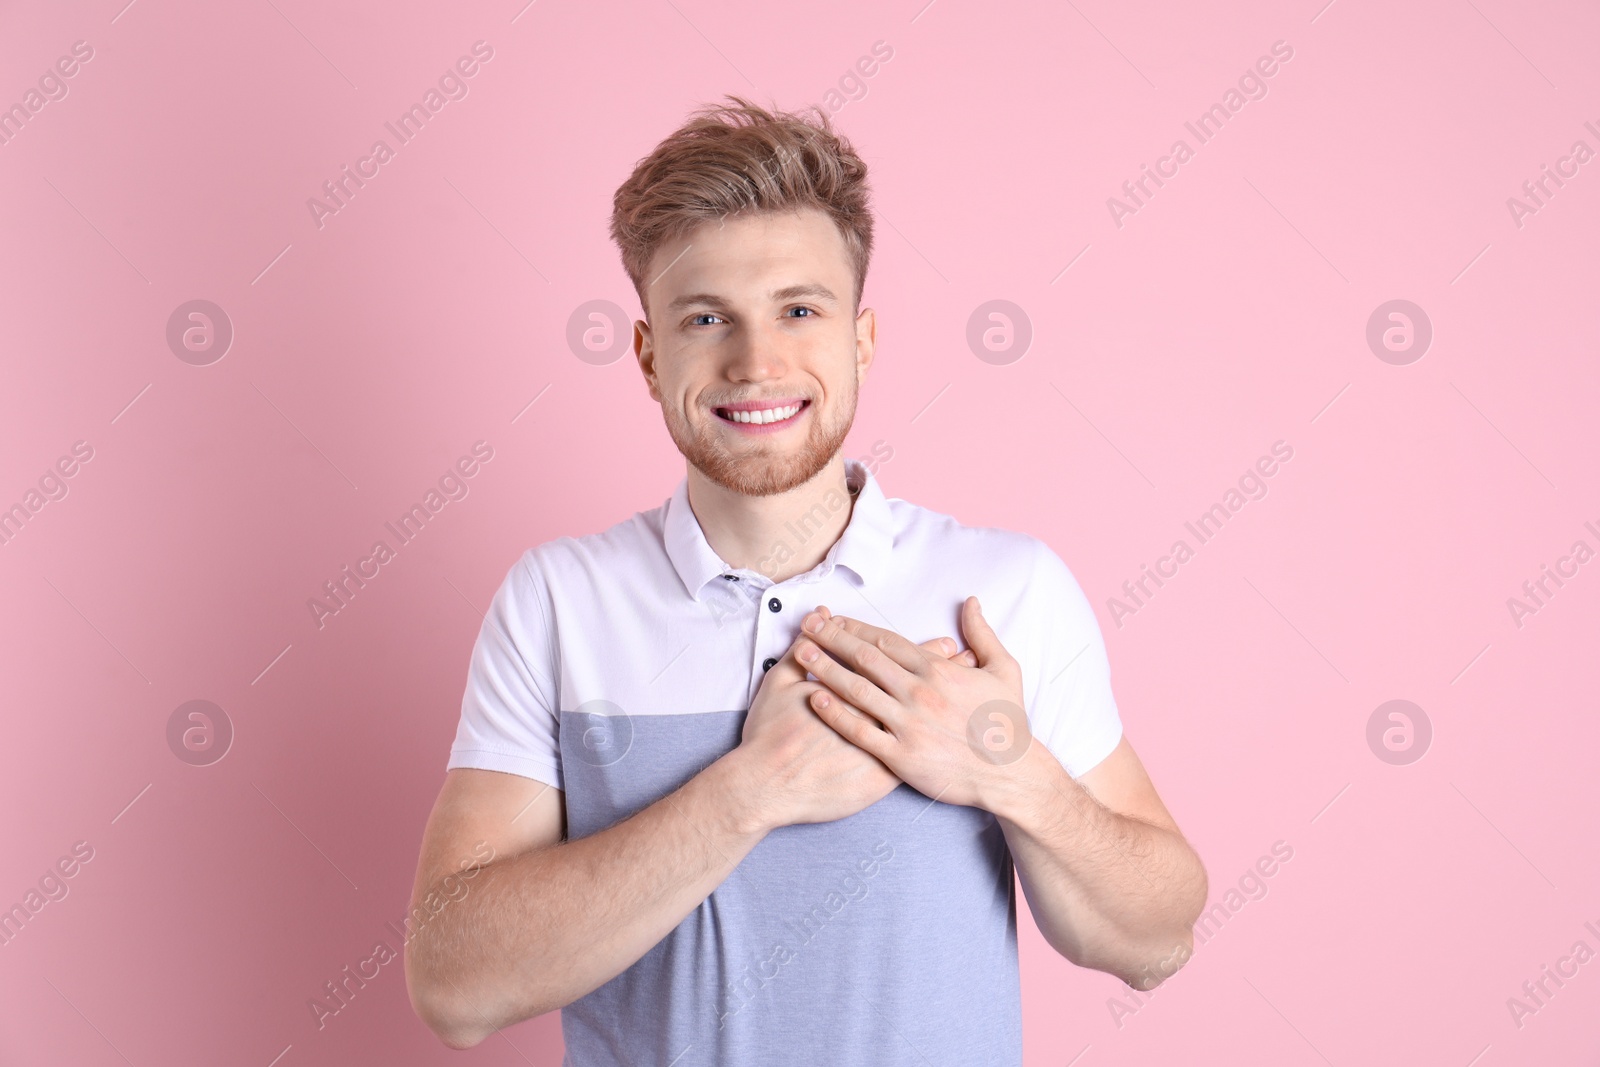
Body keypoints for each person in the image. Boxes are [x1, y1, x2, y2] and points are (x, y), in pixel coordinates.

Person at [404, 94, 1207, 1065]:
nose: (756, 361)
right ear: (650, 355)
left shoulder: (1003, 590)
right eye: (707, 318)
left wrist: (1004, 765)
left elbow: (1153, 939)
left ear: (861, 339)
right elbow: (454, 988)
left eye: (798, 309)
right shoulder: (558, 602)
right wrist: (749, 789)